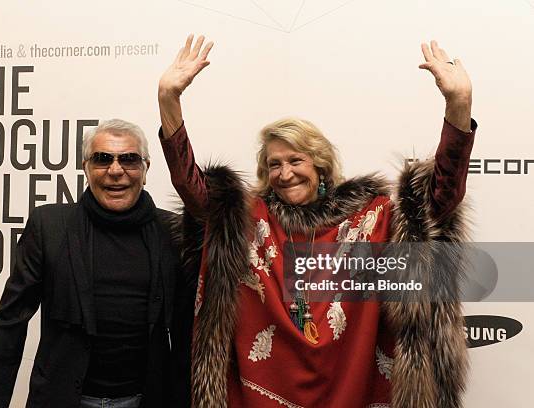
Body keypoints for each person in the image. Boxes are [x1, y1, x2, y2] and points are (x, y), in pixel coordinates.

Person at [157, 35, 476, 408]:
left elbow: (440, 198)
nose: (285, 173)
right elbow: (191, 188)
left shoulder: (369, 217)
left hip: (355, 386)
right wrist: (169, 100)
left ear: (320, 165)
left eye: (295, 161)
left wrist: (458, 103)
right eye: (274, 164)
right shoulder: (248, 220)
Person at [0, 119, 194, 408]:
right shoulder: (48, 226)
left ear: (146, 168)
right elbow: (8, 324)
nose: (116, 171)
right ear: (86, 167)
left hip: (147, 399)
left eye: (129, 159)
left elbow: (189, 333)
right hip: (61, 398)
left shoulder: (175, 232)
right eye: (102, 159)